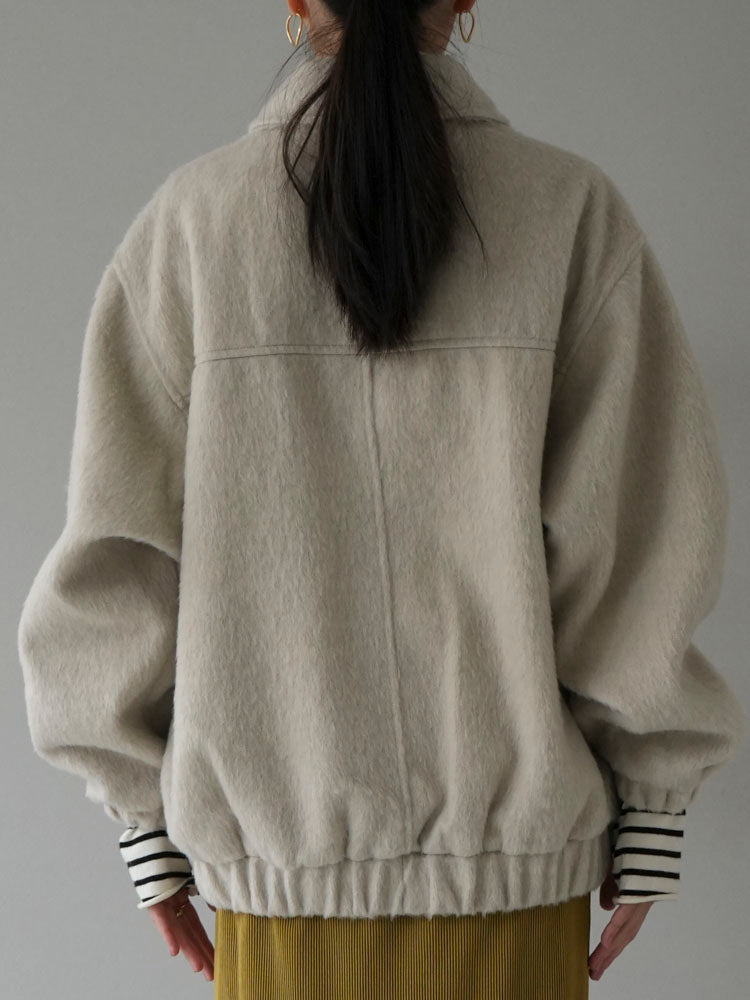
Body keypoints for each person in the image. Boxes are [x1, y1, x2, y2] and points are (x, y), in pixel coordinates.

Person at [17, 0, 746, 996]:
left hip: (280, 914)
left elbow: (115, 565)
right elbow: (641, 542)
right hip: (515, 909)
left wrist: (144, 829)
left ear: (295, 4)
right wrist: (654, 810)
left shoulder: (190, 228)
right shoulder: (569, 212)